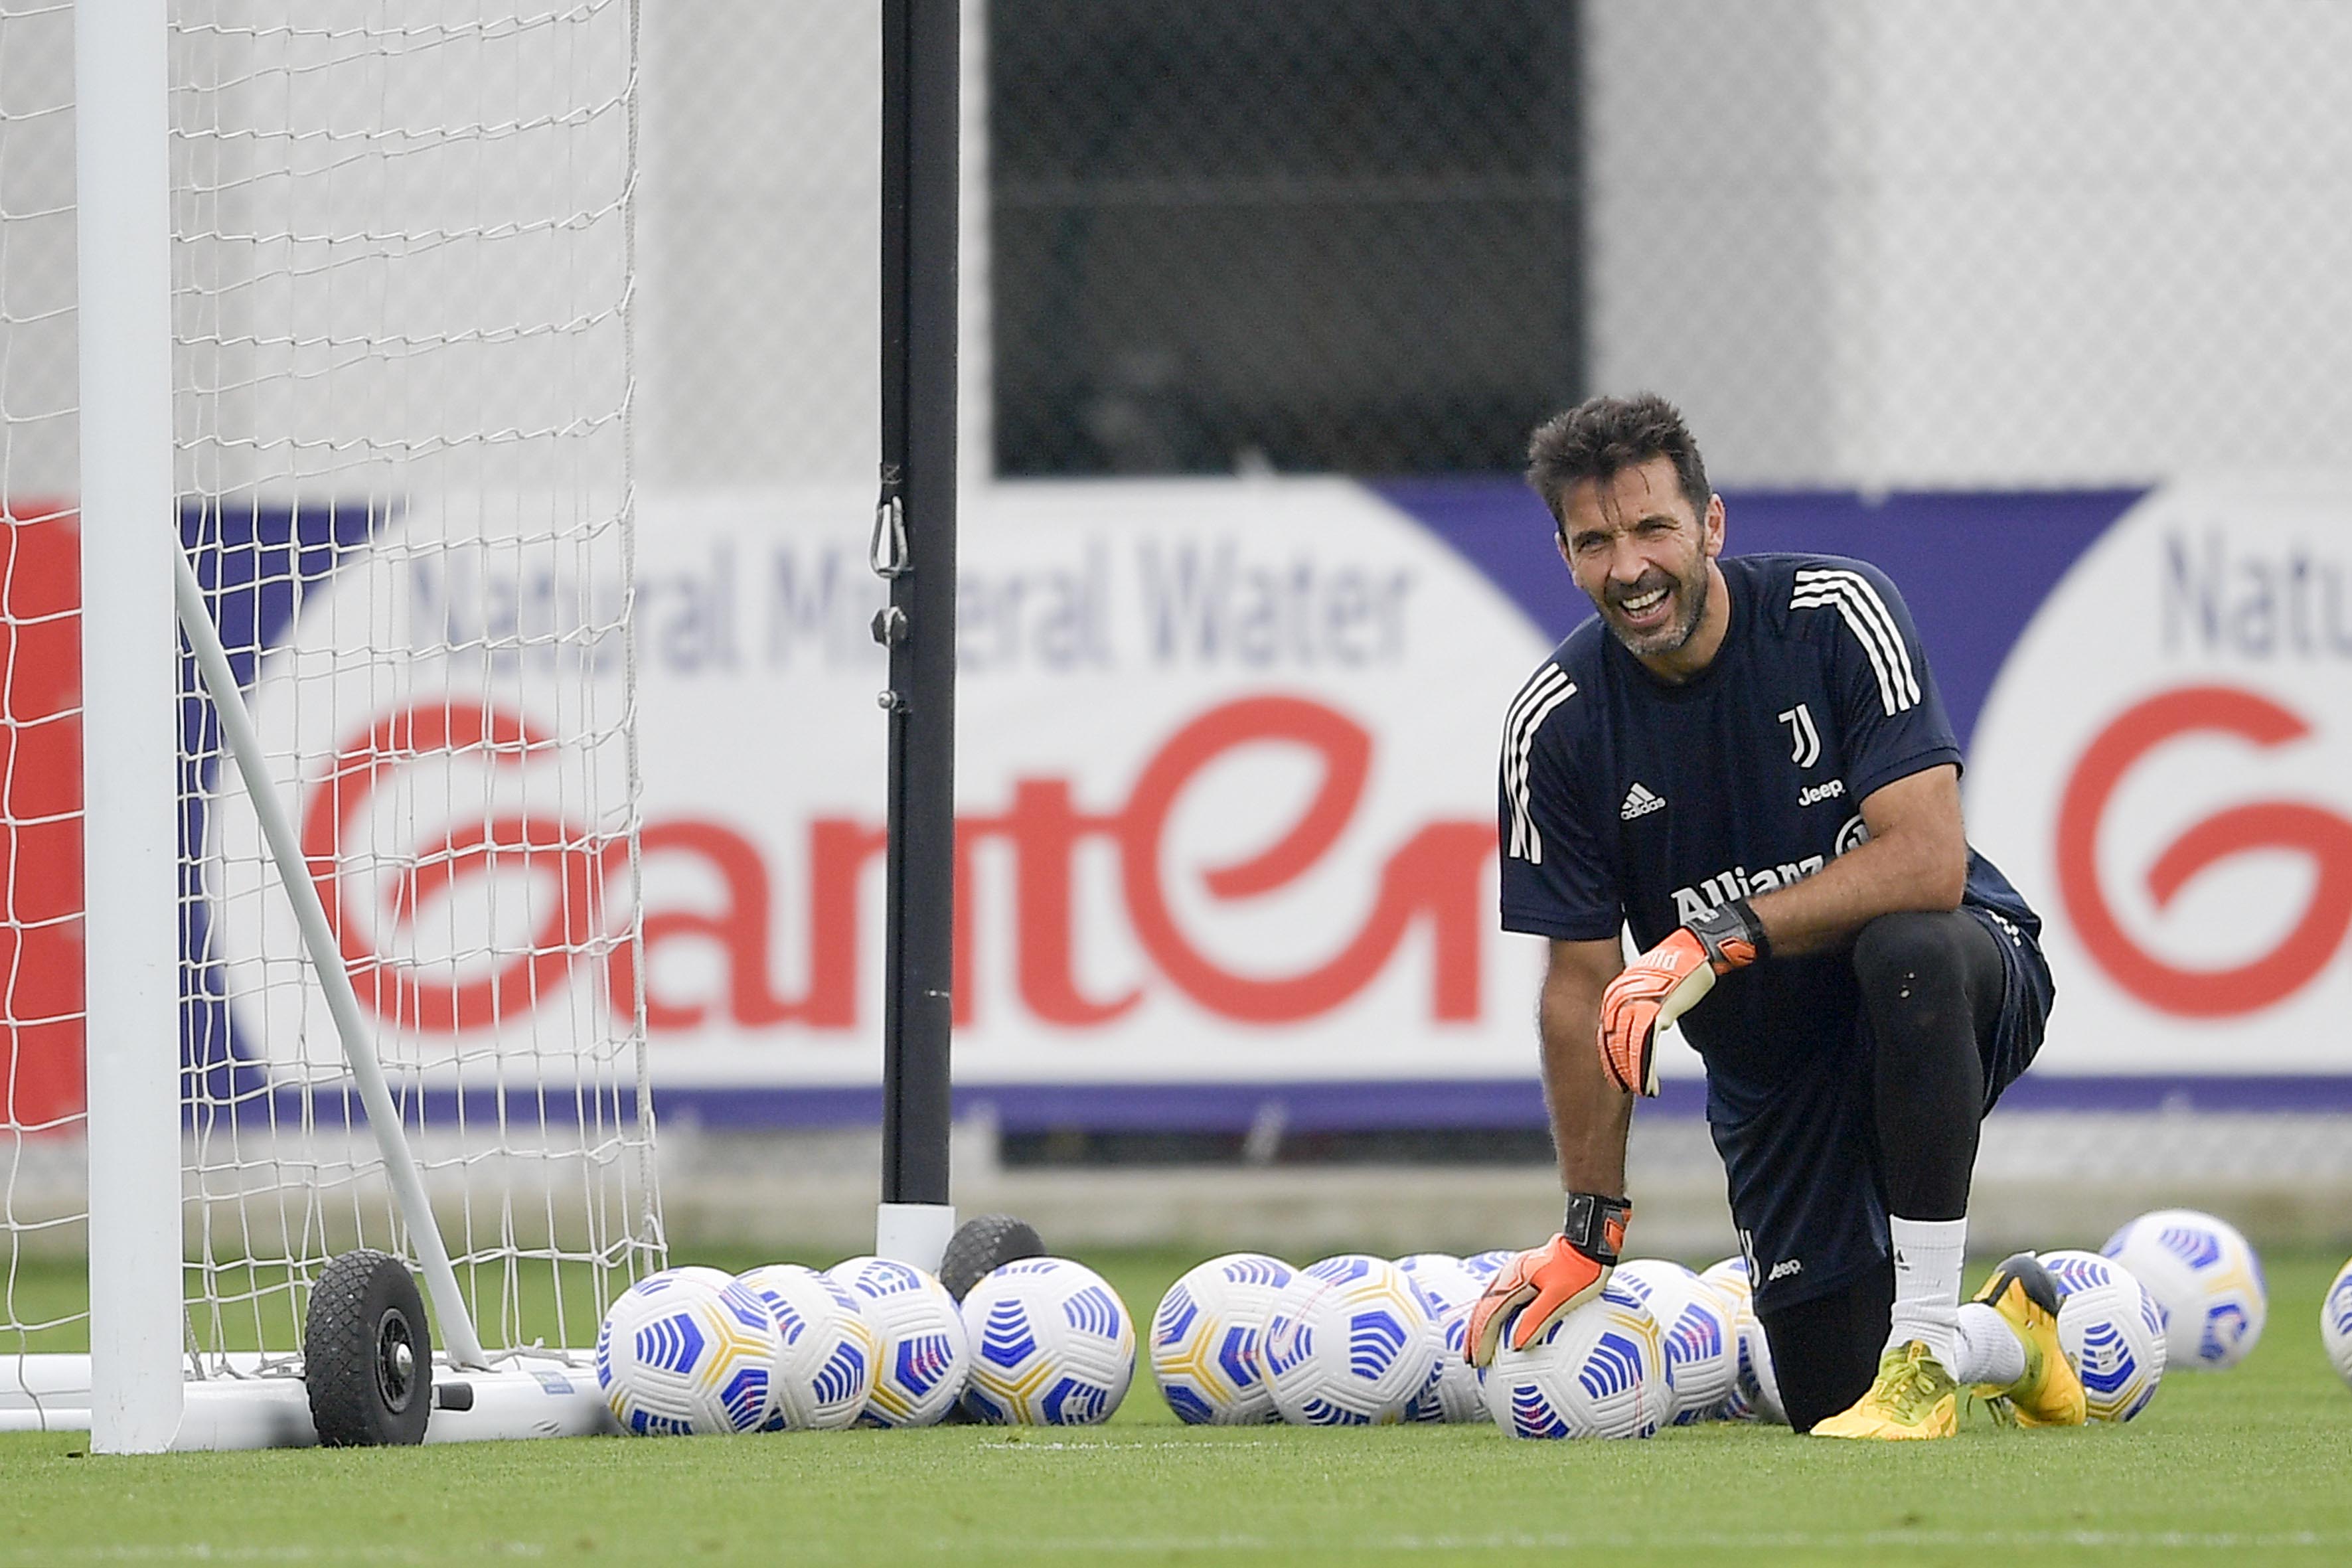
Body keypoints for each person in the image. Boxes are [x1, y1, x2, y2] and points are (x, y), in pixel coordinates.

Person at [1462, 392, 2082, 1439]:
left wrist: (1719, 931)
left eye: (1653, 527)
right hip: (1775, 1073)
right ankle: (2005, 1335)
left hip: (1951, 985)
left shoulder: (1839, 612)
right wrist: (1589, 1226)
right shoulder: (1555, 728)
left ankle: (1927, 1333)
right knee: (1828, 1397)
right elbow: (1578, 986)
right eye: (1594, 542)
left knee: (1912, 949)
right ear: (1565, 556)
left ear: (1710, 524)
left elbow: (1928, 862)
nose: (1629, 568)